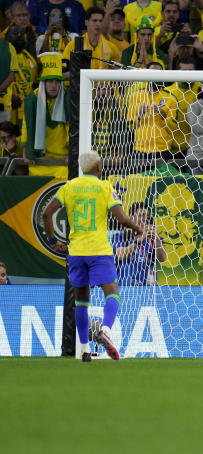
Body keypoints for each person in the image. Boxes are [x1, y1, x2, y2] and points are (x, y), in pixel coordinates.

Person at [42, 150, 143, 361]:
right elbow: (122, 218)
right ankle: (105, 331)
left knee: (81, 302)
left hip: (76, 252)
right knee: (112, 293)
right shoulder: (105, 187)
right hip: (99, 251)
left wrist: (52, 240)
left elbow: (46, 213)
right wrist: (137, 228)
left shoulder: (69, 187)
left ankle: (85, 349)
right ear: (99, 167)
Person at [112, 202, 168, 286]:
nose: (145, 219)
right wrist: (139, 239)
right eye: (141, 215)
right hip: (126, 289)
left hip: (148, 290)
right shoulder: (121, 237)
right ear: (131, 219)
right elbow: (120, 255)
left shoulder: (153, 239)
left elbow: (162, 259)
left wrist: (157, 240)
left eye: (147, 216)